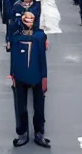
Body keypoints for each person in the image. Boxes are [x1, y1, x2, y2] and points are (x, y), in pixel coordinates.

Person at [10, 11, 50, 148]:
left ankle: (39, 133)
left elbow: (43, 59)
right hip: (20, 75)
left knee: (39, 107)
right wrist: (12, 74)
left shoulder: (40, 36)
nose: (29, 20)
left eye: (32, 18)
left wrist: (44, 77)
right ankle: (22, 133)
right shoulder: (15, 36)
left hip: (37, 75)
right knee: (20, 106)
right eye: (26, 18)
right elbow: (13, 58)